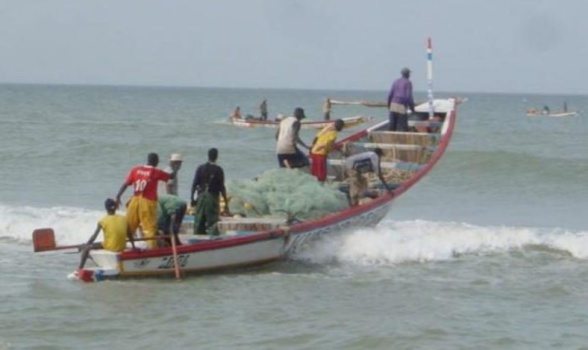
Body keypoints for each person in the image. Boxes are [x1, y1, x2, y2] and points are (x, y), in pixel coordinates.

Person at [115, 153, 172, 249]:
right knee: (150, 229)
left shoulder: (135, 170)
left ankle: (119, 246)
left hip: (134, 201)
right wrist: (173, 167)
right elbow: (170, 177)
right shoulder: (155, 172)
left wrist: (118, 196)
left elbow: (126, 184)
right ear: (156, 162)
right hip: (147, 202)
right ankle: (152, 251)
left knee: (129, 226)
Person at [78, 198, 135, 270]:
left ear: (106, 208)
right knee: (99, 244)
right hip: (122, 247)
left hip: (110, 247)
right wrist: (133, 246)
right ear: (115, 207)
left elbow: (93, 237)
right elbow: (130, 235)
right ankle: (94, 259)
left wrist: (86, 245)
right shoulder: (124, 218)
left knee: (86, 248)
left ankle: (79, 269)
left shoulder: (103, 220)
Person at [190, 148, 230, 236]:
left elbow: (194, 184)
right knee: (212, 221)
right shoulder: (219, 170)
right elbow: (222, 188)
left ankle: (197, 239)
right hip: (212, 198)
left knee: (199, 220)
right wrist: (226, 203)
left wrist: (192, 199)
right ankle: (213, 240)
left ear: (208, 156)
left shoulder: (200, 168)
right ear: (217, 156)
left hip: (200, 198)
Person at [387, 67, 415, 131]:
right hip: (401, 105)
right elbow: (408, 97)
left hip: (393, 104)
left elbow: (390, 95)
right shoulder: (408, 82)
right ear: (408, 74)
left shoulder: (396, 81)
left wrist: (389, 105)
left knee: (392, 125)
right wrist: (412, 108)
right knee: (403, 126)